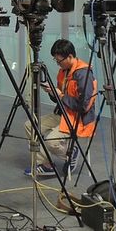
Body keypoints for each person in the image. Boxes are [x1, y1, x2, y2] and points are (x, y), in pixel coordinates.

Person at [24, 39, 97, 177]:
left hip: (78, 118)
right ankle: (46, 164)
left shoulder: (83, 74)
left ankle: (71, 152)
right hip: (62, 113)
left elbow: (84, 106)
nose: (58, 64)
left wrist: (60, 95)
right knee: (30, 125)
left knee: (51, 141)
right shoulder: (63, 71)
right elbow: (59, 98)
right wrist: (52, 92)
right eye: (56, 61)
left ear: (70, 56)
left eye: (59, 61)